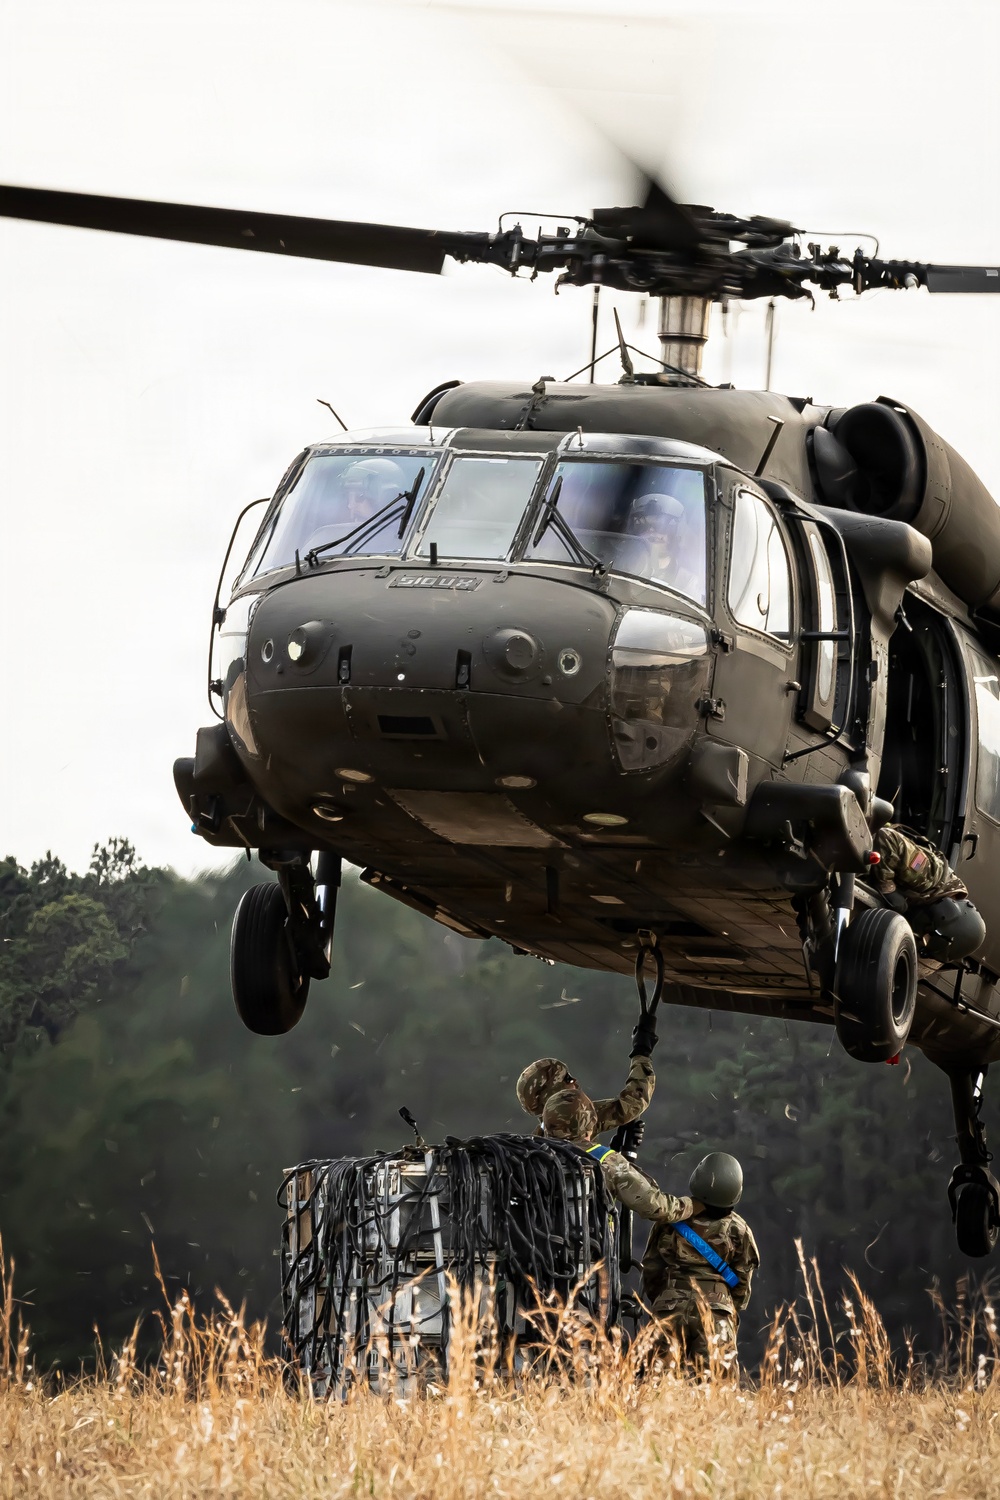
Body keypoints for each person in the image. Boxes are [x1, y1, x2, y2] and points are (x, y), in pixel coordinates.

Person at [640, 1151, 759, 1374]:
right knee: (716, 1389)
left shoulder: (671, 1221)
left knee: (654, 1383)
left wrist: (664, 1298)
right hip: (717, 1312)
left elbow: (651, 1268)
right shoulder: (739, 1229)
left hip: (671, 1304)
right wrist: (727, 1308)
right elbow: (742, 1282)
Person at [540, 1085, 701, 1228]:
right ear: (592, 1121)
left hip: (535, 1256)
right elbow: (655, 1206)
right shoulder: (606, 1161)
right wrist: (692, 1206)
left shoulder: (530, 1155)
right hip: (590, 1259)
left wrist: (615, 1149)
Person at [516, 1002, 658, 1137]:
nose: (575, 1082)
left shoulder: (535, 1144)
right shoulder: (577, 1119)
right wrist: (641, 1052)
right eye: (567, 1079)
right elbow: (634, 1101)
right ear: (555, 1093)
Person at [871, 824, 986, 960]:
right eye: (928, 933)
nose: (922, 933)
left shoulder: (930, 896)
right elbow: (886, 838)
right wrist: (888, 888)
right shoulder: (930, 876)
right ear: (946, 916)